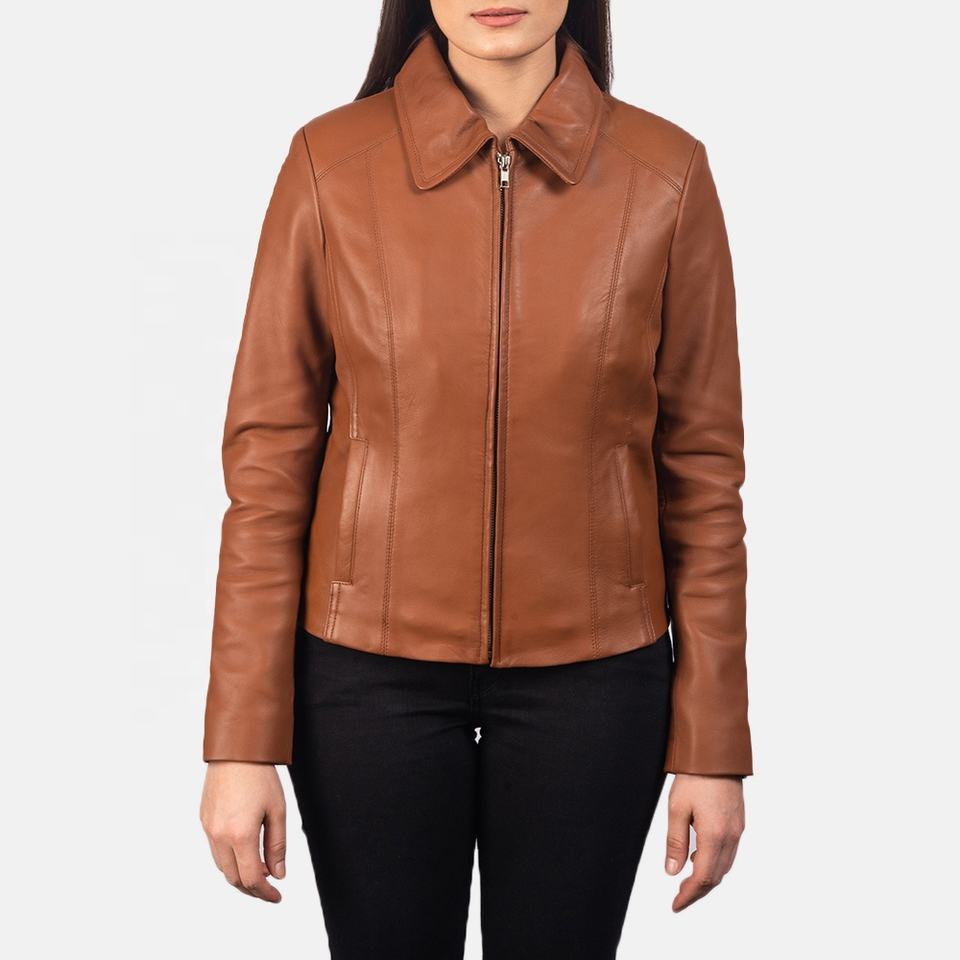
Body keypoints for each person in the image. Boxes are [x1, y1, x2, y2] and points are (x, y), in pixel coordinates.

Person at [199, 2, 752, 956]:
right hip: (364, 679)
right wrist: (240, 739)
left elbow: (702, 475)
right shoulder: (330, 164)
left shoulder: (666, 175)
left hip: (596, 683)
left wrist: (713, 745)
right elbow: (268, 465)